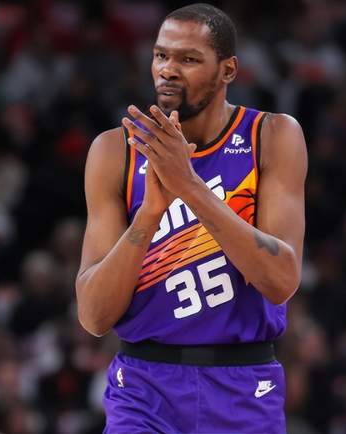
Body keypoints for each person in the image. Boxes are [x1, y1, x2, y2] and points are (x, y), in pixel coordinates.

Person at [75, 3, 307, 433]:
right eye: (161, 55)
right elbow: (93, 316)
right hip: (143, 387)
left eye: (188, 59)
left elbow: (281, 280)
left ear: (228, 70)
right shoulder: (115, 151)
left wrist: (190, 187)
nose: (168, 70)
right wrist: (149, 215)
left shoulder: (272, 136)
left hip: (243, 384)